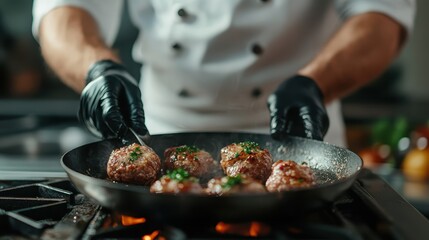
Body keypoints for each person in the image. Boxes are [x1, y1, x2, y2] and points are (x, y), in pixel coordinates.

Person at [32, 0, 415, 147]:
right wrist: (97, 69)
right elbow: (65, 9)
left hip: (303, 138)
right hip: (153, 133)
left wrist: (315, 84)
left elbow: (382, 16)